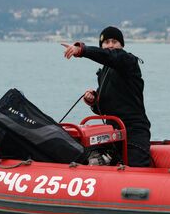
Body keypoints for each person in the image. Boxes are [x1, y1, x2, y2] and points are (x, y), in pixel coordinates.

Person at [62, 26, 152, 167]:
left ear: (121, 45)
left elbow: (111, 56)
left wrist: (82, 50)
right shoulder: (104, 71)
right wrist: (93, 100)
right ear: (101, 45)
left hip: (133, 133)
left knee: (137, 171)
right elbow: (106, 106)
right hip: (113, 133)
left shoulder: (128, 61)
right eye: (107, 42)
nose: (110, 45)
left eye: (115, 41)